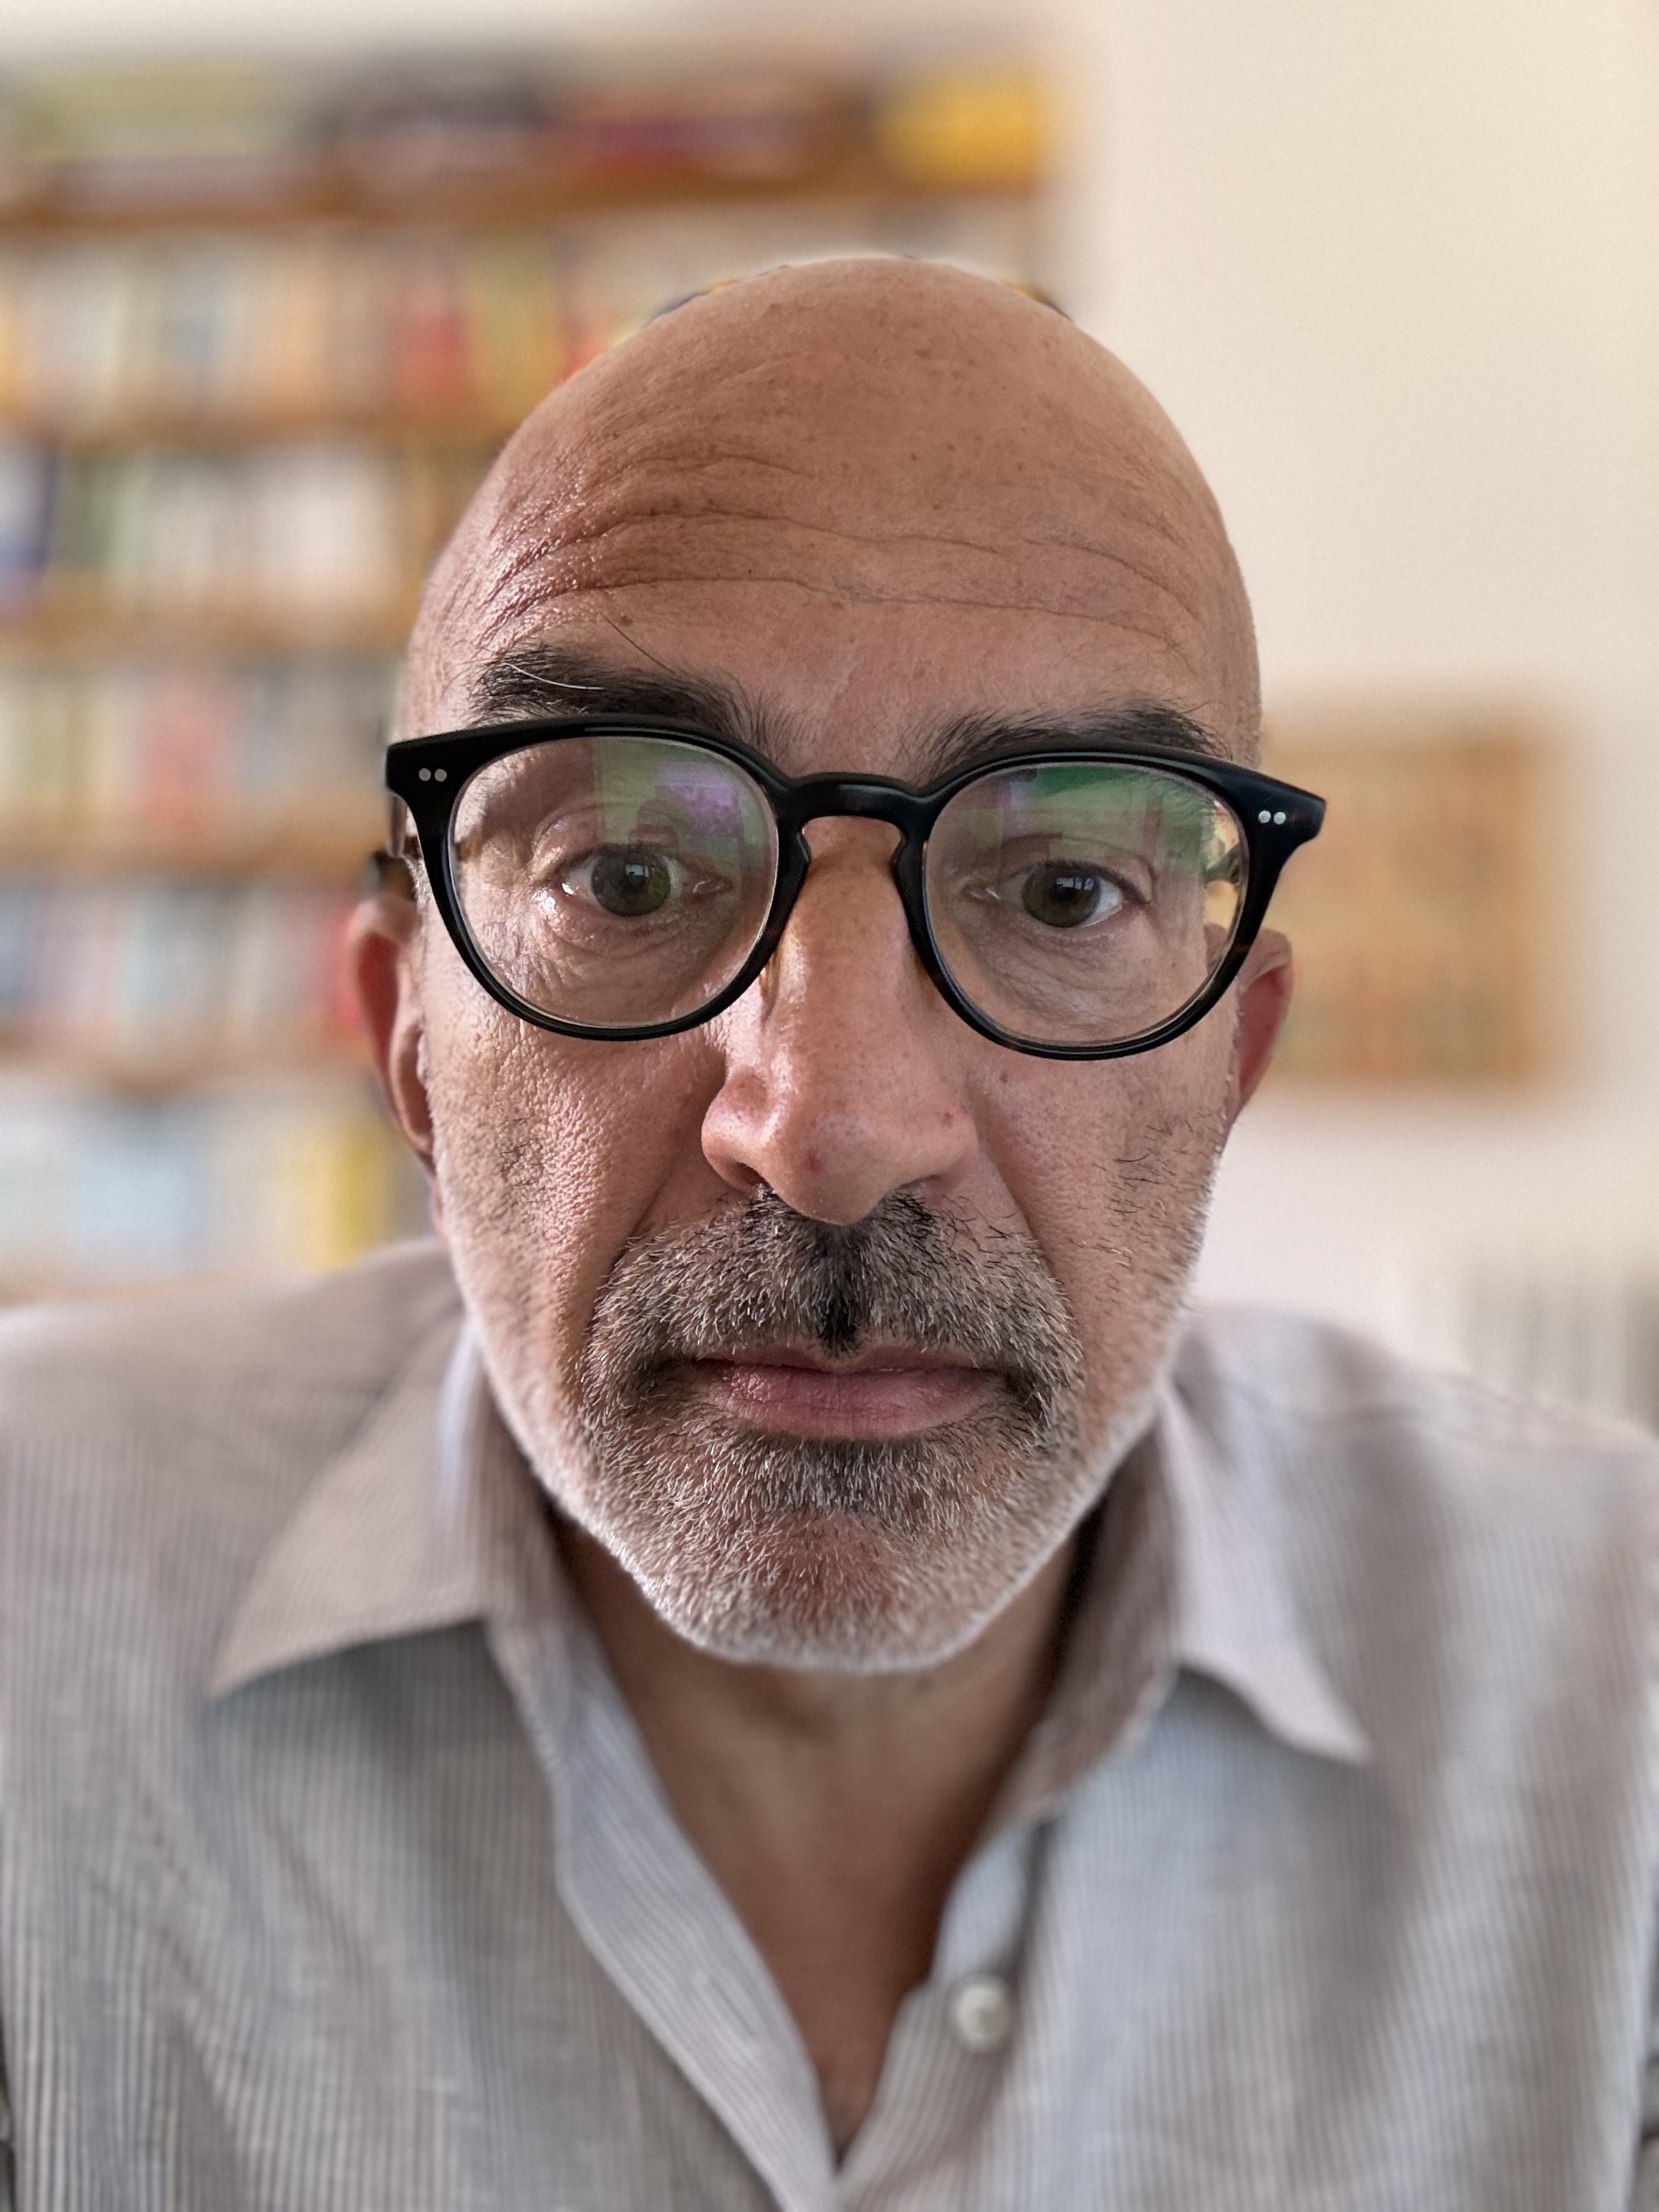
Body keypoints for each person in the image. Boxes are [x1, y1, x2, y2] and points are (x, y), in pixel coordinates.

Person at [1, 258, 1655, 2212]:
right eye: (629, 875)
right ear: (408, 1048)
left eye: (1060, 892)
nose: (834, 1133)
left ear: (1232, 1060)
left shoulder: (1610, 1703)